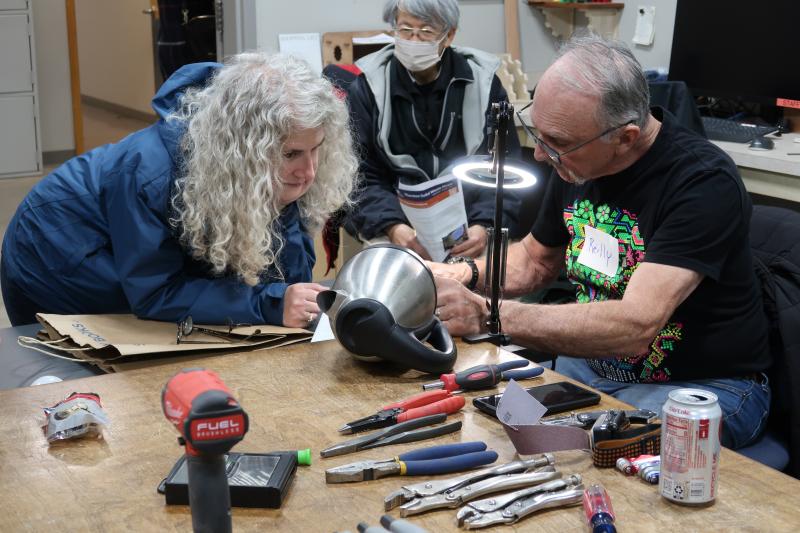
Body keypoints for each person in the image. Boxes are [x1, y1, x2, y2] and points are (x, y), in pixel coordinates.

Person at [431, 35, 772, 450]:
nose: (541, 155)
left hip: (699, 390)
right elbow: (534, 262)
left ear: (625, 137)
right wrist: (459, 275)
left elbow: (635, 326)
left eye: (555, 143)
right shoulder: (577, 163)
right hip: (589, 369)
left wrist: (487, 315)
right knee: (491, 427)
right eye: (539, 134)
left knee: (591, 457)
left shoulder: (701, 182)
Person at [1, 52, 358, 329]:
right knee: (120, 373)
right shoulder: (147, 172)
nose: (309, 171)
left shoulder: (273, 165)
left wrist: (290, 300)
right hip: (54, 255)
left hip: (123, 245)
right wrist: (270, 304)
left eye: (316, 149)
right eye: (292, 154)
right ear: (245, 148)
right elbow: (155, 292)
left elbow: (283, 270)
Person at [345, 0, 522, 260]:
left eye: (426, 32)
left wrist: (484, 226)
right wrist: (394, 228)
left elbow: (503, 167)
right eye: (405, 30)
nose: (414, 40)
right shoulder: (369, 87)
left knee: (485, 288)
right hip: (395, 225)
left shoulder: (484, 85)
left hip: (470, 226)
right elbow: (358, 176)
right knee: (391, 288)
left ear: (449, 35)